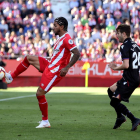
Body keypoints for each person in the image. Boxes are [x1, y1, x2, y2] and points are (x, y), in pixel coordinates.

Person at [5, 17, 80, 128]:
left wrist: (67, 67)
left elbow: (77, 53)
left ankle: (45, 121)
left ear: (62, 26)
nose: (53, 27)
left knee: (39, 93)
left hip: (55, 71)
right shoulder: (59, 38)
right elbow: (59, 55)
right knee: (28, 58)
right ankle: (11, 77)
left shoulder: (66, 39)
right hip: (50, 65)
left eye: (55, 25)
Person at [108, 24, 140, 131]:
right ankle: (120, 117)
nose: (117, 36)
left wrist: (115, 67)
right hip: (132, 77)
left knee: (114, 102)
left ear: (124, 33)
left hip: (130, 79)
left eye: (118, 33)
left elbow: (126, 65)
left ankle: (134, 119)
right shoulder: (136, 45)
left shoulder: (124, 46)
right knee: (110, 90)